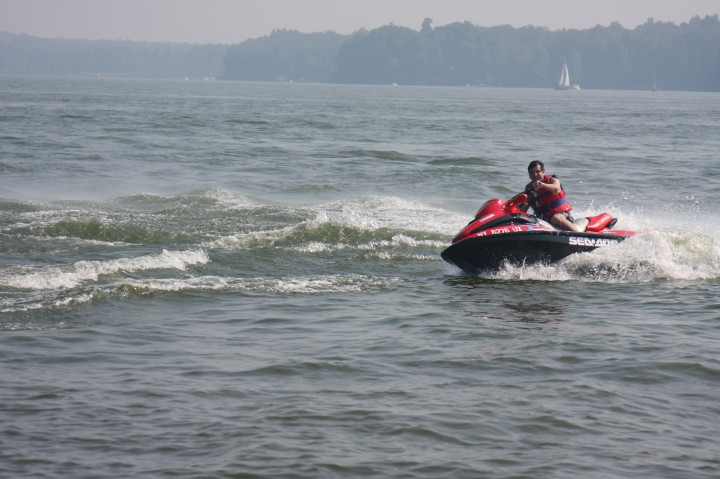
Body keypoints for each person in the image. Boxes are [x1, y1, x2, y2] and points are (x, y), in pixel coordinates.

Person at [519, 160, 583, 232]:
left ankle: (578, 235)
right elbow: (525, 207)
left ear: (543, 171)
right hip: (542, 218)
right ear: (529, 175)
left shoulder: (552, 180)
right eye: (532, 173)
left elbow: (556, 188)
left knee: (556, 218)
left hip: (561, 214)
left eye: (538, 171)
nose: (535, 175)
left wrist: (543, 185)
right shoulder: (529, 190)